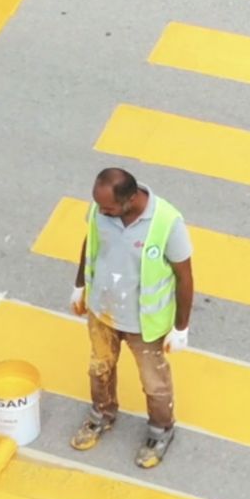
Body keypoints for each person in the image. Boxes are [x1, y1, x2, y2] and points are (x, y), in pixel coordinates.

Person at [67, 167, 194, 470]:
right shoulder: (101, 211)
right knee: (100, 369)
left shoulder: (167, 224)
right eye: (100, 206)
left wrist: (181, 327)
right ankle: (102, 415)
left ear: (131, 199)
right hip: (104, 310)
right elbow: (91, 242)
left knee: (154, 384)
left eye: (108, 207)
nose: (102, 211)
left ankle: (160, 432)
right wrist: (79, 285)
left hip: (144, 323)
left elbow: (185, 277)